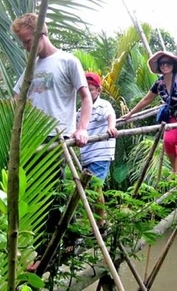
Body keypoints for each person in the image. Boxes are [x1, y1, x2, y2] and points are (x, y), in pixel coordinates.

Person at [11, 13, 92, 271]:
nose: (25, 46)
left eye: (27, 41)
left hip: (56, 136)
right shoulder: (31, 66)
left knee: (50, 195)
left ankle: (49, 254)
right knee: (28, 196)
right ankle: (30, 254)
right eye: (22, 42)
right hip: (29, 139)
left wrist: (81, 129)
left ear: (40, 34)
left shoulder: (68, 61)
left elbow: (86, 97)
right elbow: (16, 100)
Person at [77, 72, 117, 232]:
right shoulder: (80, 110)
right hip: (86, 155)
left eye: (91, 89)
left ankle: (101, 224)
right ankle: (96, 223)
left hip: (100, 153)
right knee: (88, 190)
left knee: (95, 186)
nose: (87, 92)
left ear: (99, 90)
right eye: (84, 89)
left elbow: (111, 115)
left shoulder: (103, 105)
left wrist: (111, 127)